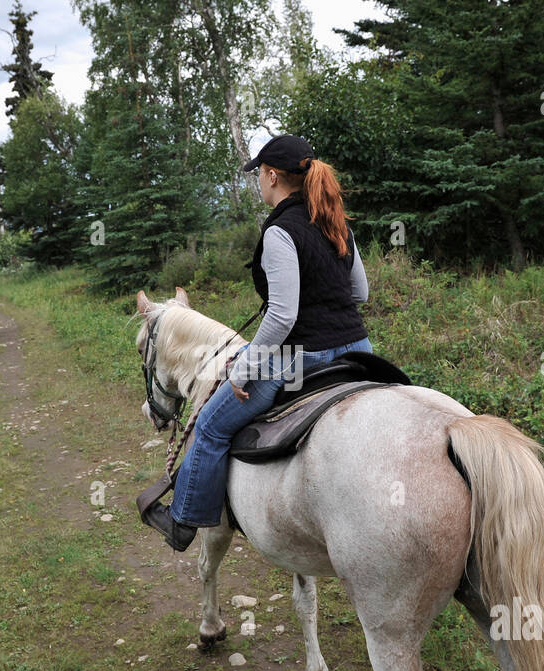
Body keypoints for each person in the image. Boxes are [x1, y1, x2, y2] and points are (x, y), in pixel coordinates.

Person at [141, 134, 373, 551]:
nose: (259, 185)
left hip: (301, 358)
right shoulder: (336, 222)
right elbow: (360, 294)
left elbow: (283, 315)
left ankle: (183, 520)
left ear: (271, 176)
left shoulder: (280, 231)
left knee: (210, 425)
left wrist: (244, 368)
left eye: (259, 177)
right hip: (360, 351)